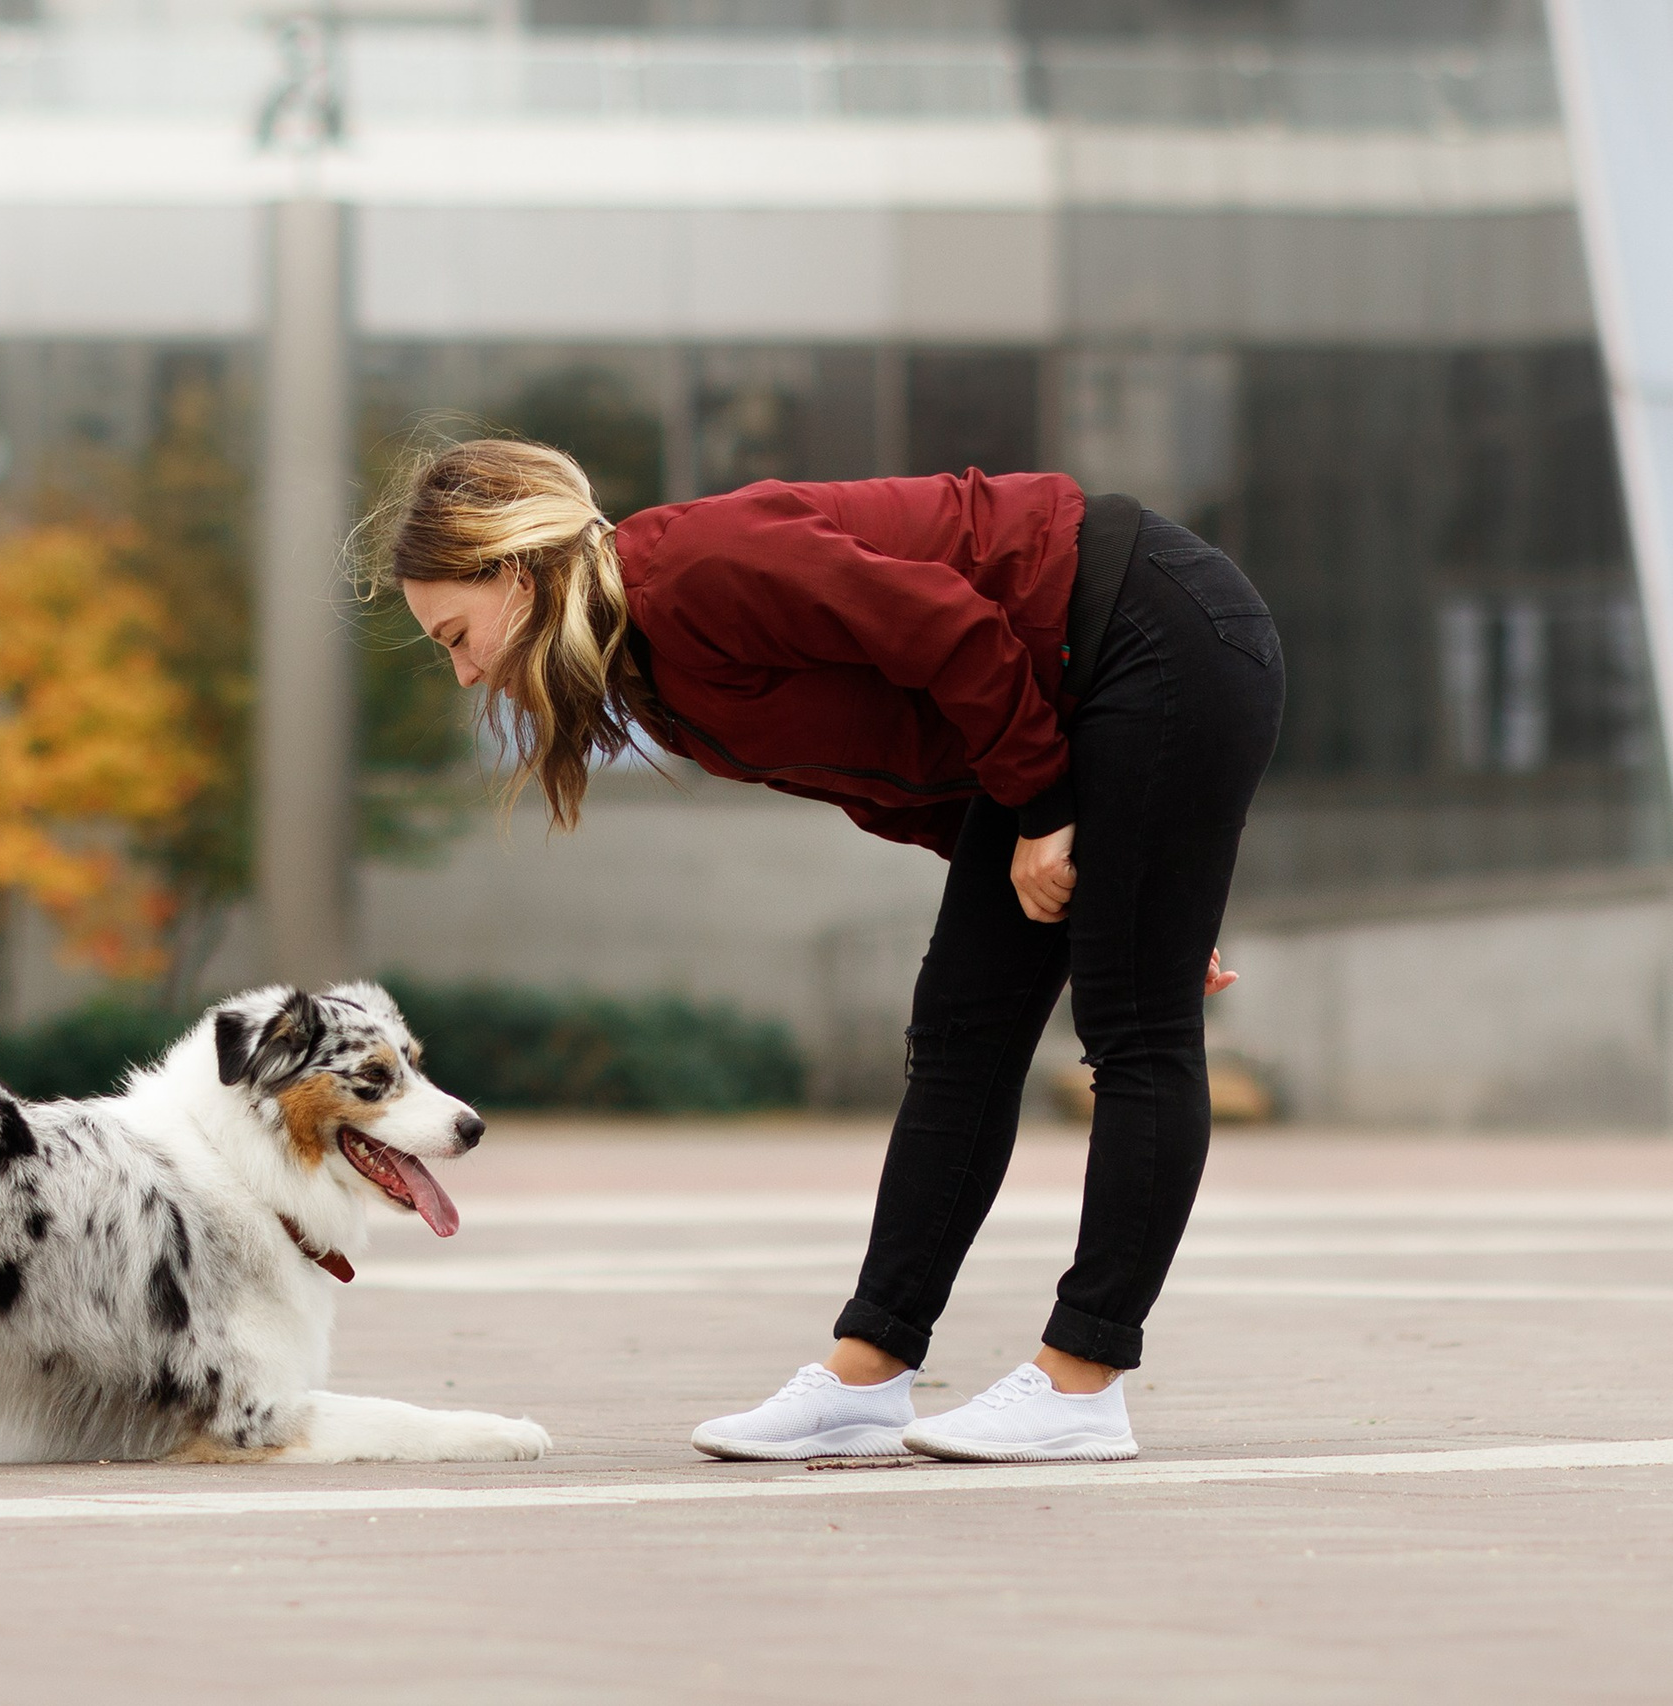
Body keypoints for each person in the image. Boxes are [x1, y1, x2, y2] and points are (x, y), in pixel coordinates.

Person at [363, 438, 1284, 1463]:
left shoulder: (695, 570)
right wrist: (1099, 875)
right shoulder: (650, 671)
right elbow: (895, 772)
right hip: (1054, 700)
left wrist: (1048, 811)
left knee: (1134, 1028)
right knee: (958, 1035)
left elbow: (951, 630)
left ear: (514, 570)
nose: (462, 669)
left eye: (455, 632)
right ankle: (866, 1374)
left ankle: (1081, 1380)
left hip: (1148, 626)